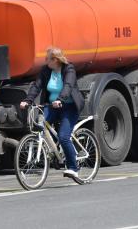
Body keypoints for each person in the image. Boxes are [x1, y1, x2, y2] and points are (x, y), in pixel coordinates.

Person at [20, 47, 84, 178]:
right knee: (39, 126)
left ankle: (73, 167)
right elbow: (37, 86)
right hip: (53, 106)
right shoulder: (46, 70)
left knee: (64, 137)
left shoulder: (68, 69)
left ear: (55, 60)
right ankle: (54, 153)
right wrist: (28, 100)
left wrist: (61, 99)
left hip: (69, 107)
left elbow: (68, 85)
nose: (45, 61)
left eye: (47, 59)